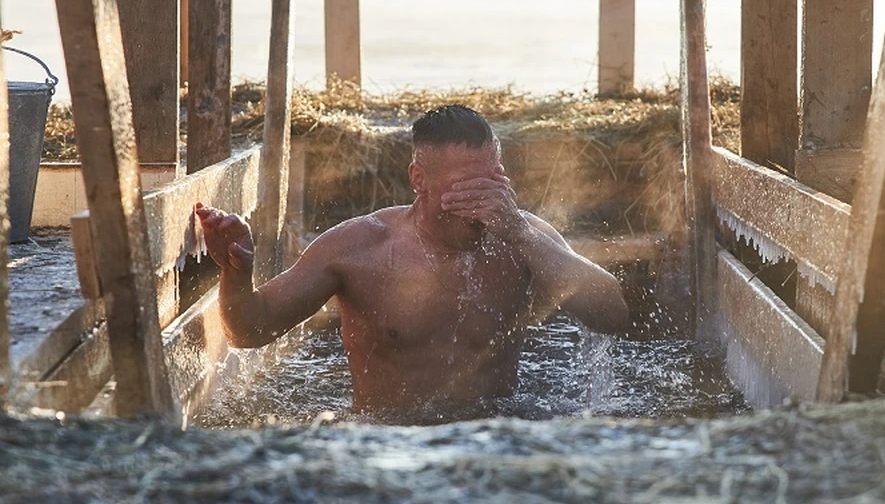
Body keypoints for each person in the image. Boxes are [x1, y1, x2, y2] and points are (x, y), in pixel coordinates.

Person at [196, 105, 628, 417]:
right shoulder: (359, 248)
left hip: (497, 441)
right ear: (419, 179)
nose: (483, 202)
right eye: (465, 187)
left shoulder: (521, 237)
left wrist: (520, 231)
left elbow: (613, 313)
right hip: (386, 441)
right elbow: (250, 331)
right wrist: (236, 273)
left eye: (493, 182)